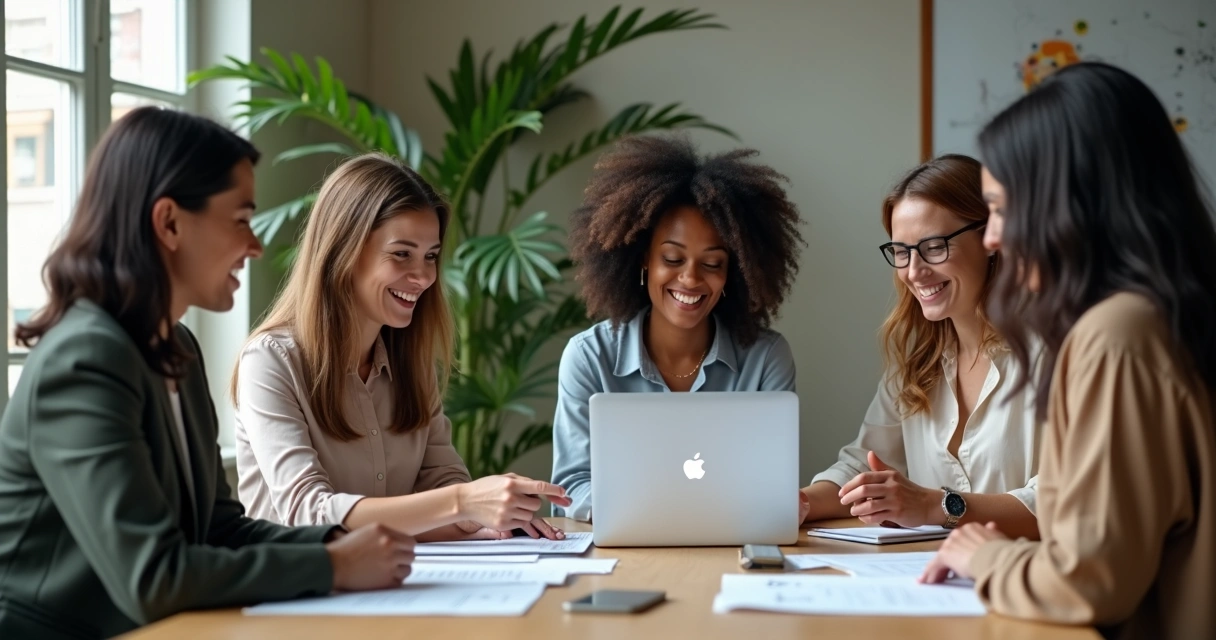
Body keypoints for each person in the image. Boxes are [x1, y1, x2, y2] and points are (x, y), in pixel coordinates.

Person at [0, 108, 413, 640]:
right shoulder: (84, 360)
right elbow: (154, 577)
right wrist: (333, 567)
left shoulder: (178, 348)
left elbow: (219, 530)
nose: (256, 245)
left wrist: (334, 541)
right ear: (169, 222)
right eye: (241, 219)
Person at [920, 62, 1216, 640]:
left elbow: (1089, 582)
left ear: (1071, 201)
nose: (993, 239)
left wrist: (983, 555)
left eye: (1003, 208)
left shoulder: (1117, 336)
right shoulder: (1166, 315)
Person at [233, 153, 570, 541]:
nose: (424, 276)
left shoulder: (410, 362)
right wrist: (464, 502)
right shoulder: (271, 361)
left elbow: (442, 482)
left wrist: (494, 517)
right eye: (401, 254)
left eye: (431, 256)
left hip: (390, 586)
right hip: (299, 593)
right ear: (343, 251)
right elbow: (307, 513)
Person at [552, 134, 805, 522]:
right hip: (622, 551)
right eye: (672, 258)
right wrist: (659, 511)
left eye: (712, 263)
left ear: (732, 275)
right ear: (643, 261)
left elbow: (770, 484)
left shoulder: (766, 358)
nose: (690, 279)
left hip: (729, 549)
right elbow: (571, 488)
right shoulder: (589, 358)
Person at [800, 155, 1040, 539]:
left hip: (1024, 582)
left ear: (991, 239)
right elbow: (863, 463)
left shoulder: (1054, 353)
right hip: (936, 581)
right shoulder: (917, 363)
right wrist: (801, 503)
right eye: (901, 251)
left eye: (933, 246)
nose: (914, 271)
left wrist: (933, 505)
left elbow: (1065, 499)